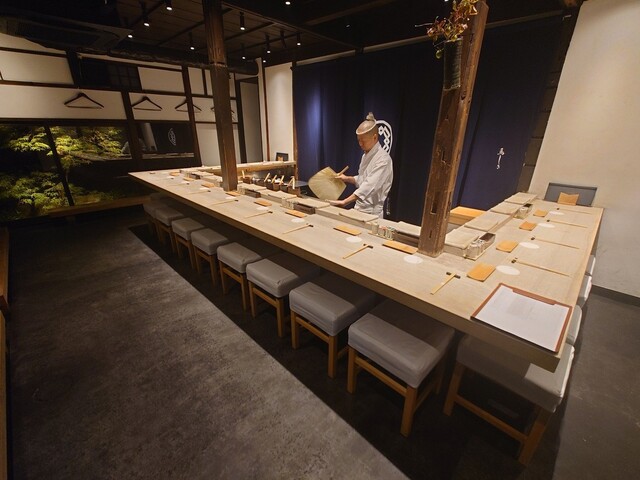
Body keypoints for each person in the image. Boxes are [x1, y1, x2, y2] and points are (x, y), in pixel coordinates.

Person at [330, 112, 393, 218]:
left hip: (372, 212)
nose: (360, 144)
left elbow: (369, 186)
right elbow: (363, 179)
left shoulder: (383, 159)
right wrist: (347, 178)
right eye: (358, 140)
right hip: (359, 207)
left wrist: (345, 201)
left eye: (363, 141)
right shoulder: (365, 155)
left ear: (375, 137)